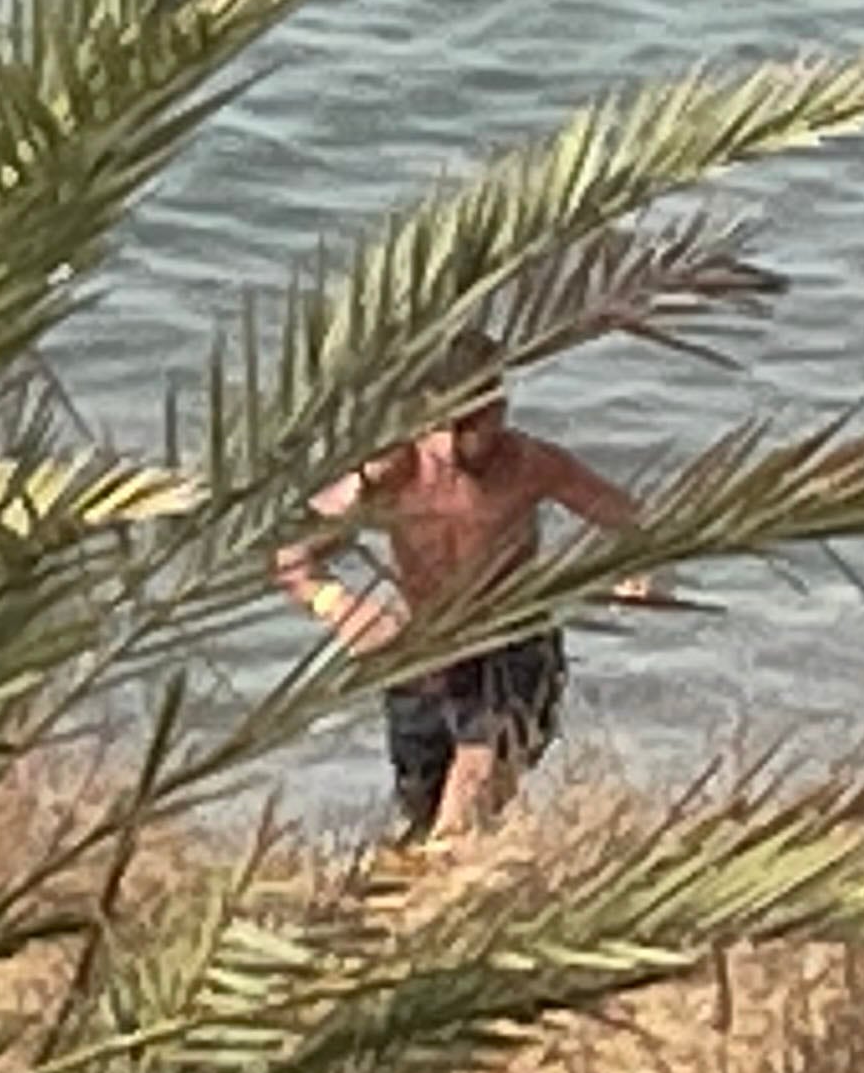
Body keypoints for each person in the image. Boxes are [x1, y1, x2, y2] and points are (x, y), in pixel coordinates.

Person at [273, 329, 650, 845]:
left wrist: (637, 567)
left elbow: (631, 518)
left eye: (473, 421)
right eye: (443, 423)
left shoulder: (529, 464)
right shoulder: (392, 473)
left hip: (512, 642)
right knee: (423, 816)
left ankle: (451, 880)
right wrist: (338, 605)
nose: (454, 440)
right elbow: (288, 555)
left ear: (499, 403)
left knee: (472, 787)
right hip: (424, 653)